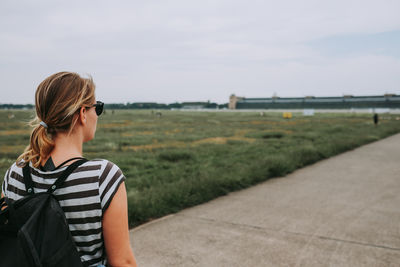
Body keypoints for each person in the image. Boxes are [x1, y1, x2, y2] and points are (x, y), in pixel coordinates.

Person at [1, 72, 137, 267]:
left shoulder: (14, 173)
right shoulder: (103, 176)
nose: (97, 115)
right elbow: (123, 262)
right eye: (97, 108)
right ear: (82, 113)